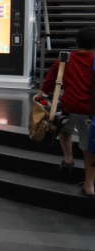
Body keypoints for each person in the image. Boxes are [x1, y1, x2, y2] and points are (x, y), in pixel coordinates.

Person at [34, 27, 95, 193]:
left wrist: (42, 94)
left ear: (77, 42)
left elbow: (51, 78)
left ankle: (68, 158)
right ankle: (89, 185)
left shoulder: (65, 57)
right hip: (90, 110)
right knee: (89, 148)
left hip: (68, 106)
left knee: (64, 130)